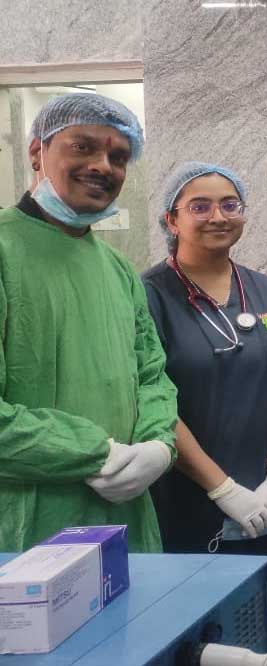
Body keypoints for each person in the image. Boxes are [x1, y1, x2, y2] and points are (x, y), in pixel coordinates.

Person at [0, 93, 177, 552]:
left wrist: (158, 445)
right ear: (36, 151)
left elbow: (151, 374)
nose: (103, 166)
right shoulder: (5, 251)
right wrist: (95, 451)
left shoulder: (118, 269)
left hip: (125, 517)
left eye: (118, 157)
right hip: (29, 528)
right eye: (83, 147)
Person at [142, 162, 267, 554]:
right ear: (171, 220)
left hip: (263, 499)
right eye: (200, 207)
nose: (218, 216)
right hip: (184, 495)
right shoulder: (148, 296)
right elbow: (151, 401)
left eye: (230, 205)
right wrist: (223, 488)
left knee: (262, 589)